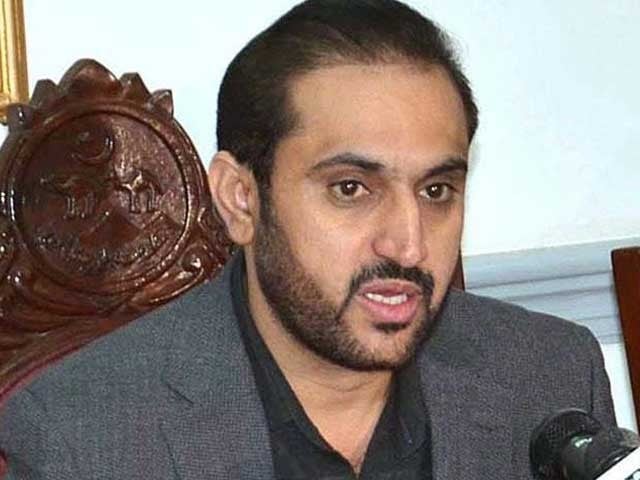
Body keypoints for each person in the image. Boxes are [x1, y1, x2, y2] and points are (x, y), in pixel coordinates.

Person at [0, 0, 615, 478]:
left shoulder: (547, 376)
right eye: (351, 188)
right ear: (241, 199)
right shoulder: (84, 436)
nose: (408, 246)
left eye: (436, 190)